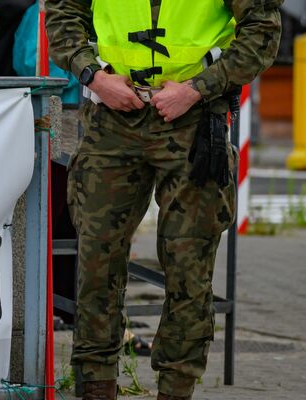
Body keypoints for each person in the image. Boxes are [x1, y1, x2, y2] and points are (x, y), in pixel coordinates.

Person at [46, 1, 282, 400]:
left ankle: (176, 389)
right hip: (111, 120)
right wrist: (95, 77)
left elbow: (262, 29)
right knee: (95, 262)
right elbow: (63, 14)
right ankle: (95, 387)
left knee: (189, 269)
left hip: (194, 120)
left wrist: (196, 90)